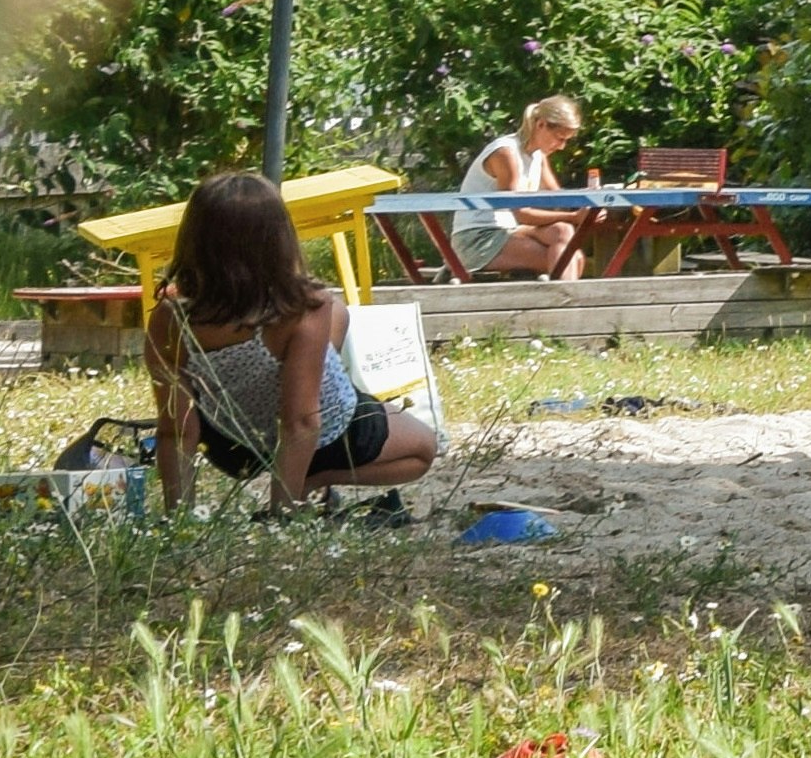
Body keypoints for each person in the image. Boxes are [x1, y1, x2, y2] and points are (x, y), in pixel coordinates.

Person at [144, 170, 441, 517]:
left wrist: (177, 518)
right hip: (323, 436)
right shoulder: (304, 306)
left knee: (340, 315)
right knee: (423, 448)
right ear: (278, 239)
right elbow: (300, 423)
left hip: (233, 446)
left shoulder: (170, 317)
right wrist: (283, 510)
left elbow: (176, 431)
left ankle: (303, 455)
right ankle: (312, 479)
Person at [456, 94, 591, 279]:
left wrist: (588, 198)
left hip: (510, 230)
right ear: (541, 124)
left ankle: (561, 302)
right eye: (559, 138)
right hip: (479, 238)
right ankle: (564, 305)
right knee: (570, 259)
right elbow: (520, 213)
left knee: (564, 232)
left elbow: (559, 199)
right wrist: (574, 217)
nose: (561, 147)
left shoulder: (538, 155)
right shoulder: (506, 153)